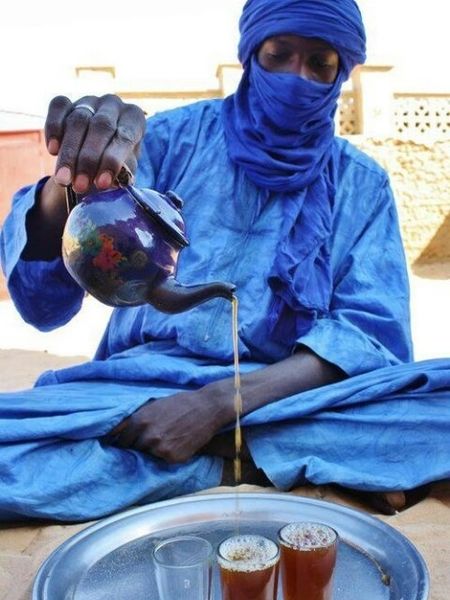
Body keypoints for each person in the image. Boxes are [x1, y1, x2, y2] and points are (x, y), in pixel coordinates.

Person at [0, 0, 449, 522]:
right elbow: (43, 305)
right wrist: (68, 184)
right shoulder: (167, 141)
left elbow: (368, 333)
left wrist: (216, 407)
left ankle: (208, 453)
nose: (296, 78)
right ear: (250, 55)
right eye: (279, 55)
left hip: (283, 396)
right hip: (139, 390)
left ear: (341, 73)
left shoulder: (362, 184)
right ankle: (255, 460)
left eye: (319, 64)